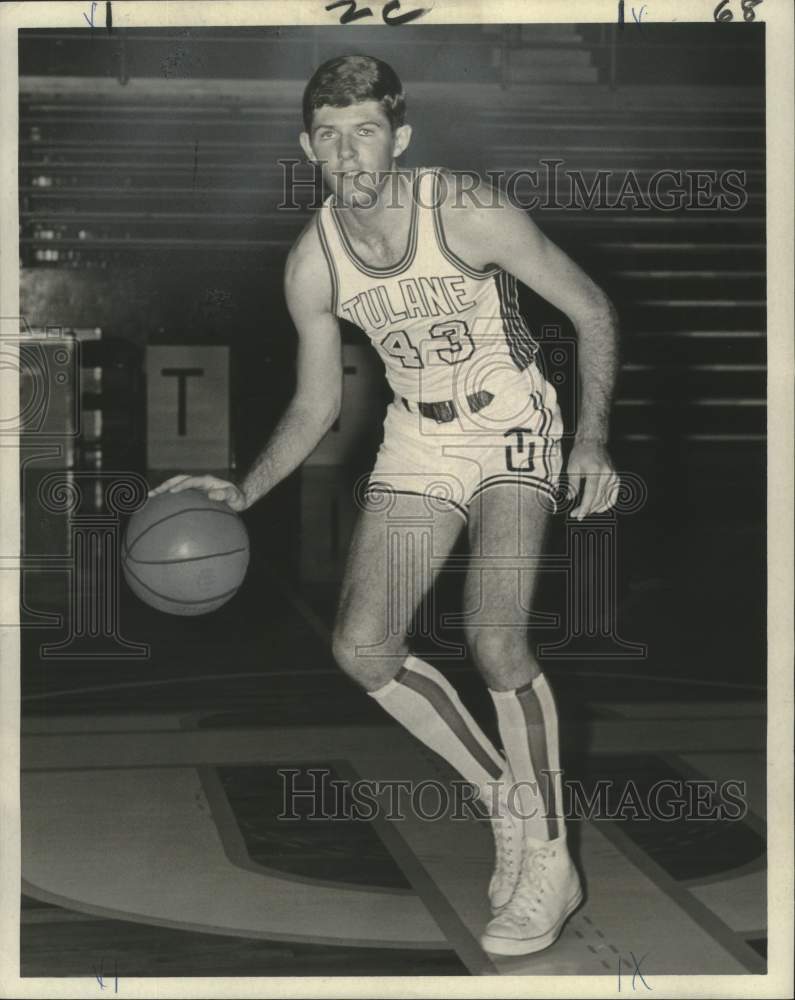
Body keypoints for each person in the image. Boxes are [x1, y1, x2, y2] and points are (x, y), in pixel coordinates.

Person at [151, 55, 620, 956]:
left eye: (364, 130)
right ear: (307, 146)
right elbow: (317, 406)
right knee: (363, 648)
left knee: (494, 639)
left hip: (515, 421)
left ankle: (551, 861)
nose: (348, 151)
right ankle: (505, 801)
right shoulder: (312, 262)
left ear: (398, 138)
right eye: (329, 135)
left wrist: (591, 441)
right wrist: (240, 489)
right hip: (419, 436)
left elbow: (590, 311)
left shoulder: (468, 209)